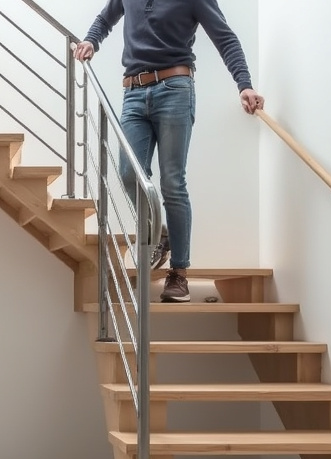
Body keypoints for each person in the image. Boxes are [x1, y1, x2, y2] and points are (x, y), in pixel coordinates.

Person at [73, 0, 264, 303]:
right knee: (127, 171)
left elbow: (224, 37)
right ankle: (157, 230)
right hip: (133, 93)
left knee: (173, 183)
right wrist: (91, 39)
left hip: (175, 88)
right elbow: (106, 17)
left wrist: (244, 84)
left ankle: (179, 274)